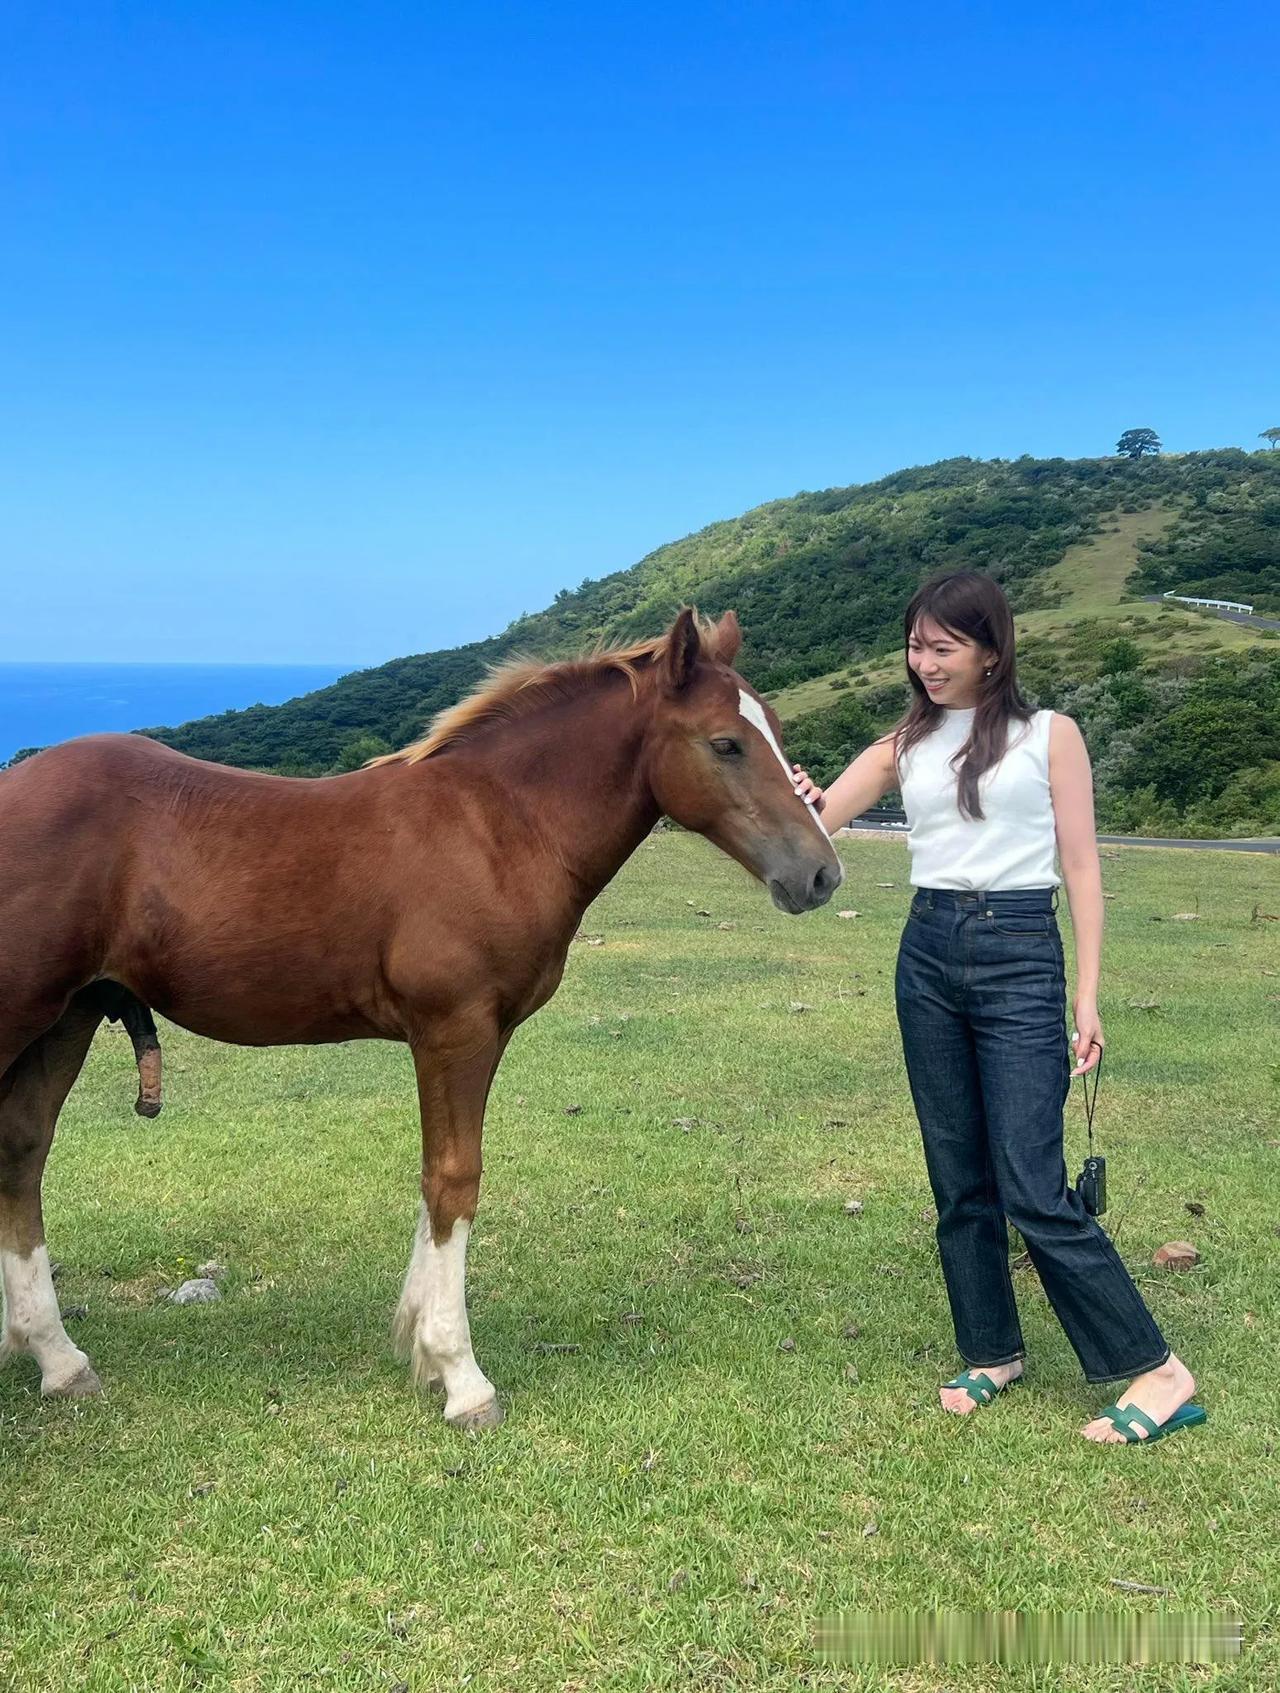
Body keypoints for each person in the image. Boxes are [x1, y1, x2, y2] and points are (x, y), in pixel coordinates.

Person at [791, 570, 1205, 1444]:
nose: (925, 661)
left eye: (943, 647)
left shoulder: (1049, 734)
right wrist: (794, 800)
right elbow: (821, 820)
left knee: (1031, 1180)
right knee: (957, 1174)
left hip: (1021, 951)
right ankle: (992, 1349)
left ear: (991, 650)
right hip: (927, 949)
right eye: (916, 645)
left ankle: (1158, 1371)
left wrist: (1087, 994)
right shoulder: (906, 740)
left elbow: (1083, 865)